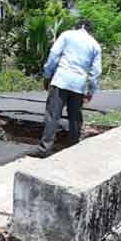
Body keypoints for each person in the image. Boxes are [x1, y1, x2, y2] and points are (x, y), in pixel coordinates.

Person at [37, 19, 102, 156]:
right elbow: (96, 72)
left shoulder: (67, 35)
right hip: (79, 85)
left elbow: (53, 55)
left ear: (77, 27)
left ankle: (45, 148)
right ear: (90, 30)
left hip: (61, 79)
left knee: (53, 115)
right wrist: (90, 91)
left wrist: (47, 75)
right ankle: (73, 148)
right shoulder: (95, 45)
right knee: (75, 117)